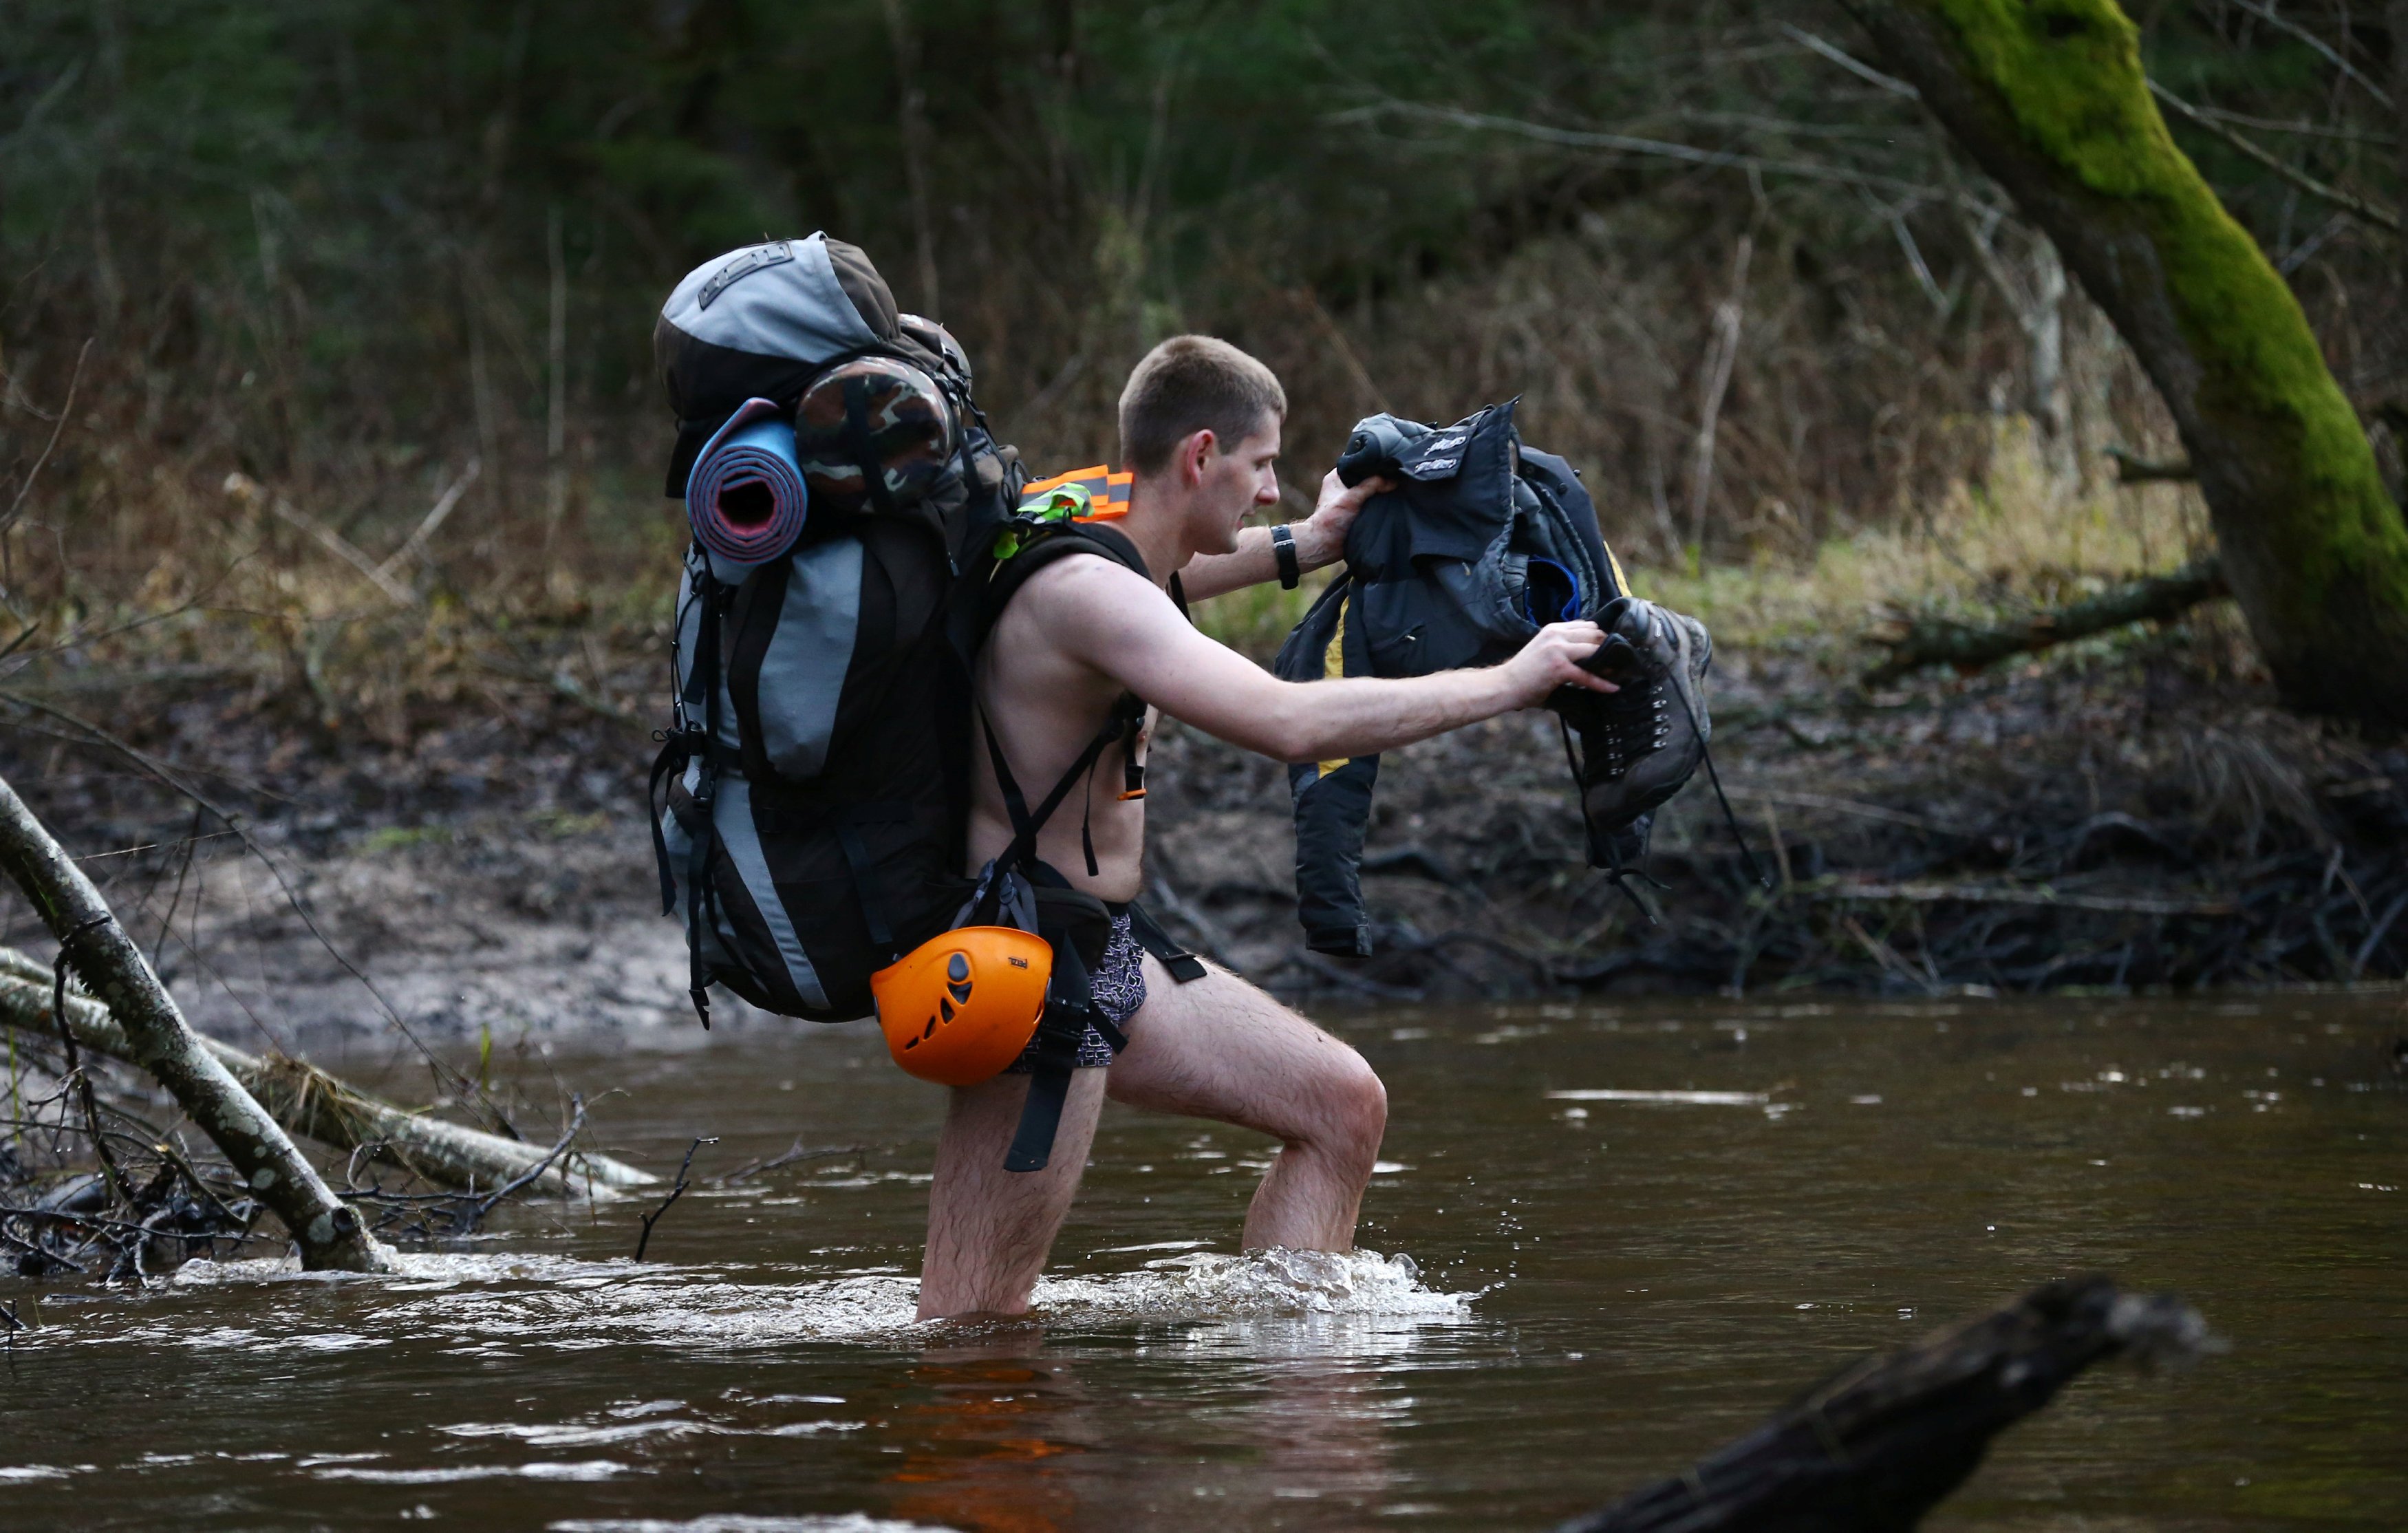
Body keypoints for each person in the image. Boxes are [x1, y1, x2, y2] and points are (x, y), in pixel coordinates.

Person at [916, 336, 1616, 1320]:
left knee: (1339, 1106)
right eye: (1261, 466)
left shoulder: (1071, 519)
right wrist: (1510, 683)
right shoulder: (1093, 597)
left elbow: (1173, 572)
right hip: (1030, 973)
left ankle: (1296, 1425)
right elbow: (1285, 721)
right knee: (974, 1322)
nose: (1274, 491)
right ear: (1201, 455)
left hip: (1100, 949)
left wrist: (1317, 542)